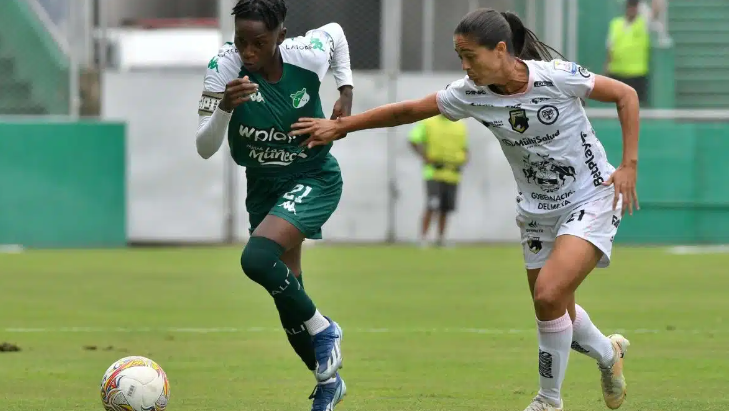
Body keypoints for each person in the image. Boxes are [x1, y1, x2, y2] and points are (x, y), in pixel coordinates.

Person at [291, 8, 640, 411]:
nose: (465, 66)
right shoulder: (470, 93)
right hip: (536, 211)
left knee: (548, 295)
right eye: (460, 57)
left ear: (501, 50)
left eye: (470, 56)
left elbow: (626, 96)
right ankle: (609, 354)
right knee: (554, 307)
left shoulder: (555, 76)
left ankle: (548, 401)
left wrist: (628, 165)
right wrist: (341, 127)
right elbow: (407, 110)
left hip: (592, 196)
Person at [195, 1, 353, 409]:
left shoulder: (306, 54)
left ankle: (325, 329)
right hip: (263, 185)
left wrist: (345, 90)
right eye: (241, 41)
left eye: (259, 43)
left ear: (280, 37)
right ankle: (328, 384)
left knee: (256, 259)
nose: (248, 52)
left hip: (313, 177)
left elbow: (336, 32)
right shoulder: (223, 67)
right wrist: (225, 107)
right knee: (289, 299)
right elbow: (204, 146)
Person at [408, 114, 469, 248]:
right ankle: (423, 237)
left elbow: (465, 148)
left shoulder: (460, 125)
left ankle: (441, 238)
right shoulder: (428, 123)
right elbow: (413, 140)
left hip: (452, 173)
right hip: (434, 172)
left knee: (446, 208)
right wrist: (424, 157)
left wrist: (464, 159)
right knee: (432, 205)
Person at [605, 0, 651, 104]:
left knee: (635, 105)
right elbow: (610, 47)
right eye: (630, 6)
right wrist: (607, 67)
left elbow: (655, 11)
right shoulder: (616, 24)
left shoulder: (643, 23)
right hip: (617, 72)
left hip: (637, 74)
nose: (632, 9)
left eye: (634, 7)